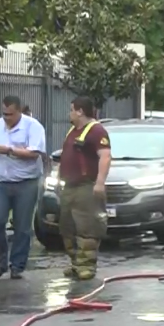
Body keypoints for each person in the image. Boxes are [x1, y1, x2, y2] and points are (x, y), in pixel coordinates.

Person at [0, 95, 47, 279]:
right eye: (4, 114)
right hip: (2, 182)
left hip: (26, 182)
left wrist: (9, 150)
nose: (6, 118)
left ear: (19, 111)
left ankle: (17, 265)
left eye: (10, 114)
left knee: (22, 226)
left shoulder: (33, 127)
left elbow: (35, 153)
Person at [57, 96, 111, 280]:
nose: (69, 113)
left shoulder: (96, 131)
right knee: (67, 227)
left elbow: (105, 156)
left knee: (87, 227)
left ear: (80, 111)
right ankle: (75, 264)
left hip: (86, 186)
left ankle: (87, 266)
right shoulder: (73, 130)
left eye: (72, 109)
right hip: (69, 186)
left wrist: (100, 182)